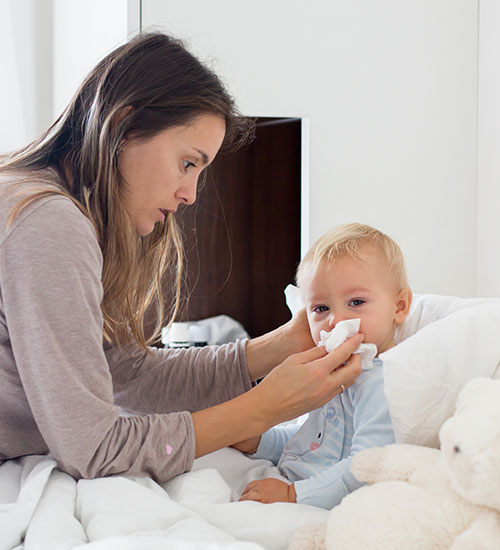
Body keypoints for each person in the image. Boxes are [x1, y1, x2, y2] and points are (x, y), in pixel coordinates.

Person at [0, 32, 363, 482]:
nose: (190, 195)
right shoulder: (47, 221)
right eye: (188, 163)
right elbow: (93, 450)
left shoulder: (31, 199)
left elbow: (123, 372)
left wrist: (280, 346)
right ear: (123, 126)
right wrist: (260, 409)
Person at [236, 223, 412, 509]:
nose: (335, 320)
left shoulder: (383, 382)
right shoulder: (330, 371)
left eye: (356, 302)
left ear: (400, 307)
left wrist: (294, 495)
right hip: (288, 481)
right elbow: (311, 442)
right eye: (321, 308)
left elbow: (365, 468)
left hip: (322, 503)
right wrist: (261, 442)